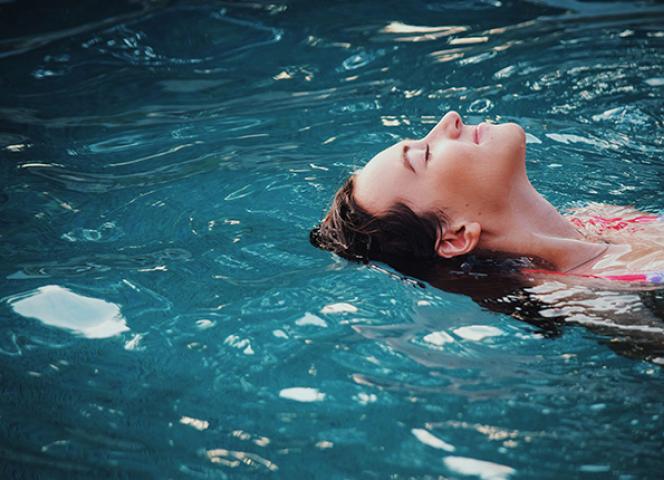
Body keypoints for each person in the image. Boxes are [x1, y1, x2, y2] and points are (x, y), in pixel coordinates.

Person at [310, 111, 664, 287]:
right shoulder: (603, 294)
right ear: (456, 237)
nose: (450, 119)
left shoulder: (599, 217)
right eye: (426, 155)